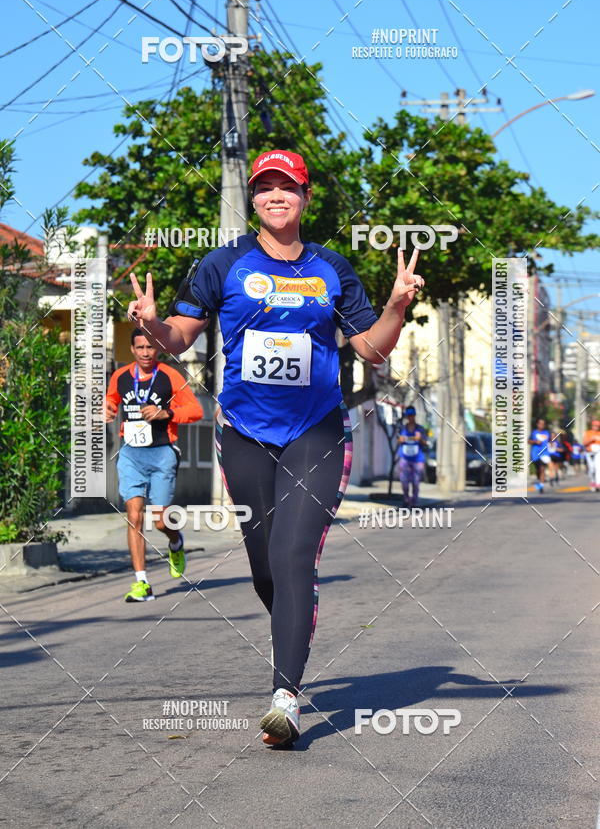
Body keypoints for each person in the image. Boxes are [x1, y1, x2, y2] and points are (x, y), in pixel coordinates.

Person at [126, 149, 425, 746]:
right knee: (265, 566)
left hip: (315, 431)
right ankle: (294, 622)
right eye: (264, 187)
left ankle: (284, 698)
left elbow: (371, 350)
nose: (274, 196)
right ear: (254, 200)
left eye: (286, 186)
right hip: (243, 433)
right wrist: (154, 328)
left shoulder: (332, 268)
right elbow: (181, 335)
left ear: (306, 197)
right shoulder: (223, 263)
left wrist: (395, 307)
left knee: (293, 559)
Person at [104, 329, 203, 601]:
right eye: (140, 348)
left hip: (162, 453)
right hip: (131, 454)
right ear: (132, 350)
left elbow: (196, 411)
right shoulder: (121, 376)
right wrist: (108, 409)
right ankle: (142, 583)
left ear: (157, 349)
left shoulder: (170, 376)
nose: (145, 353)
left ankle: (175, 541)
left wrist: (166, 412)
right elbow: (112, 400)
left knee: (160, 521)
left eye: (150, 347)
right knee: (134, 516)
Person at [395, 405, 428, 506]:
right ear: (406, 417)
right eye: (409, 415)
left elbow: (426, 443)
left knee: (416, 482)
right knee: (404, 481)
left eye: (412, 415)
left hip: (417, 459)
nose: (410, 417)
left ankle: (414, 502)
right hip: (405, 459)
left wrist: (420, 439)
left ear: (415, 416)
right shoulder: (402, 429)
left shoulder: (420, 429)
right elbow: (398, 441)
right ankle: (406, 499)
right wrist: (400, 440)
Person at [528, 418, 551, 493]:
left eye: (543, 424)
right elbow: (528, 441)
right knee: (538, 470)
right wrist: (535, 442)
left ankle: (541, 485)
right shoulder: (534, 432)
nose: (542, 425)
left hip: (544, 453)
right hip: (535, 454)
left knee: (542, 469)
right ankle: (539, 480)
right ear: (537, 424)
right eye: (540, 423)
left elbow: (551, 441)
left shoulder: (547, 433)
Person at [582, 418, 600, 491]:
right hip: (590, 452)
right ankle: (592, 482)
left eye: (598, 426)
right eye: (595, 425)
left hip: (598, 452)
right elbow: (584, 443)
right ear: (592, 426)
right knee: (592, 468)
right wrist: (592, 439)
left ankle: (598, 484)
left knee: (598, 467)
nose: (596, 427)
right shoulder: (588, 433)